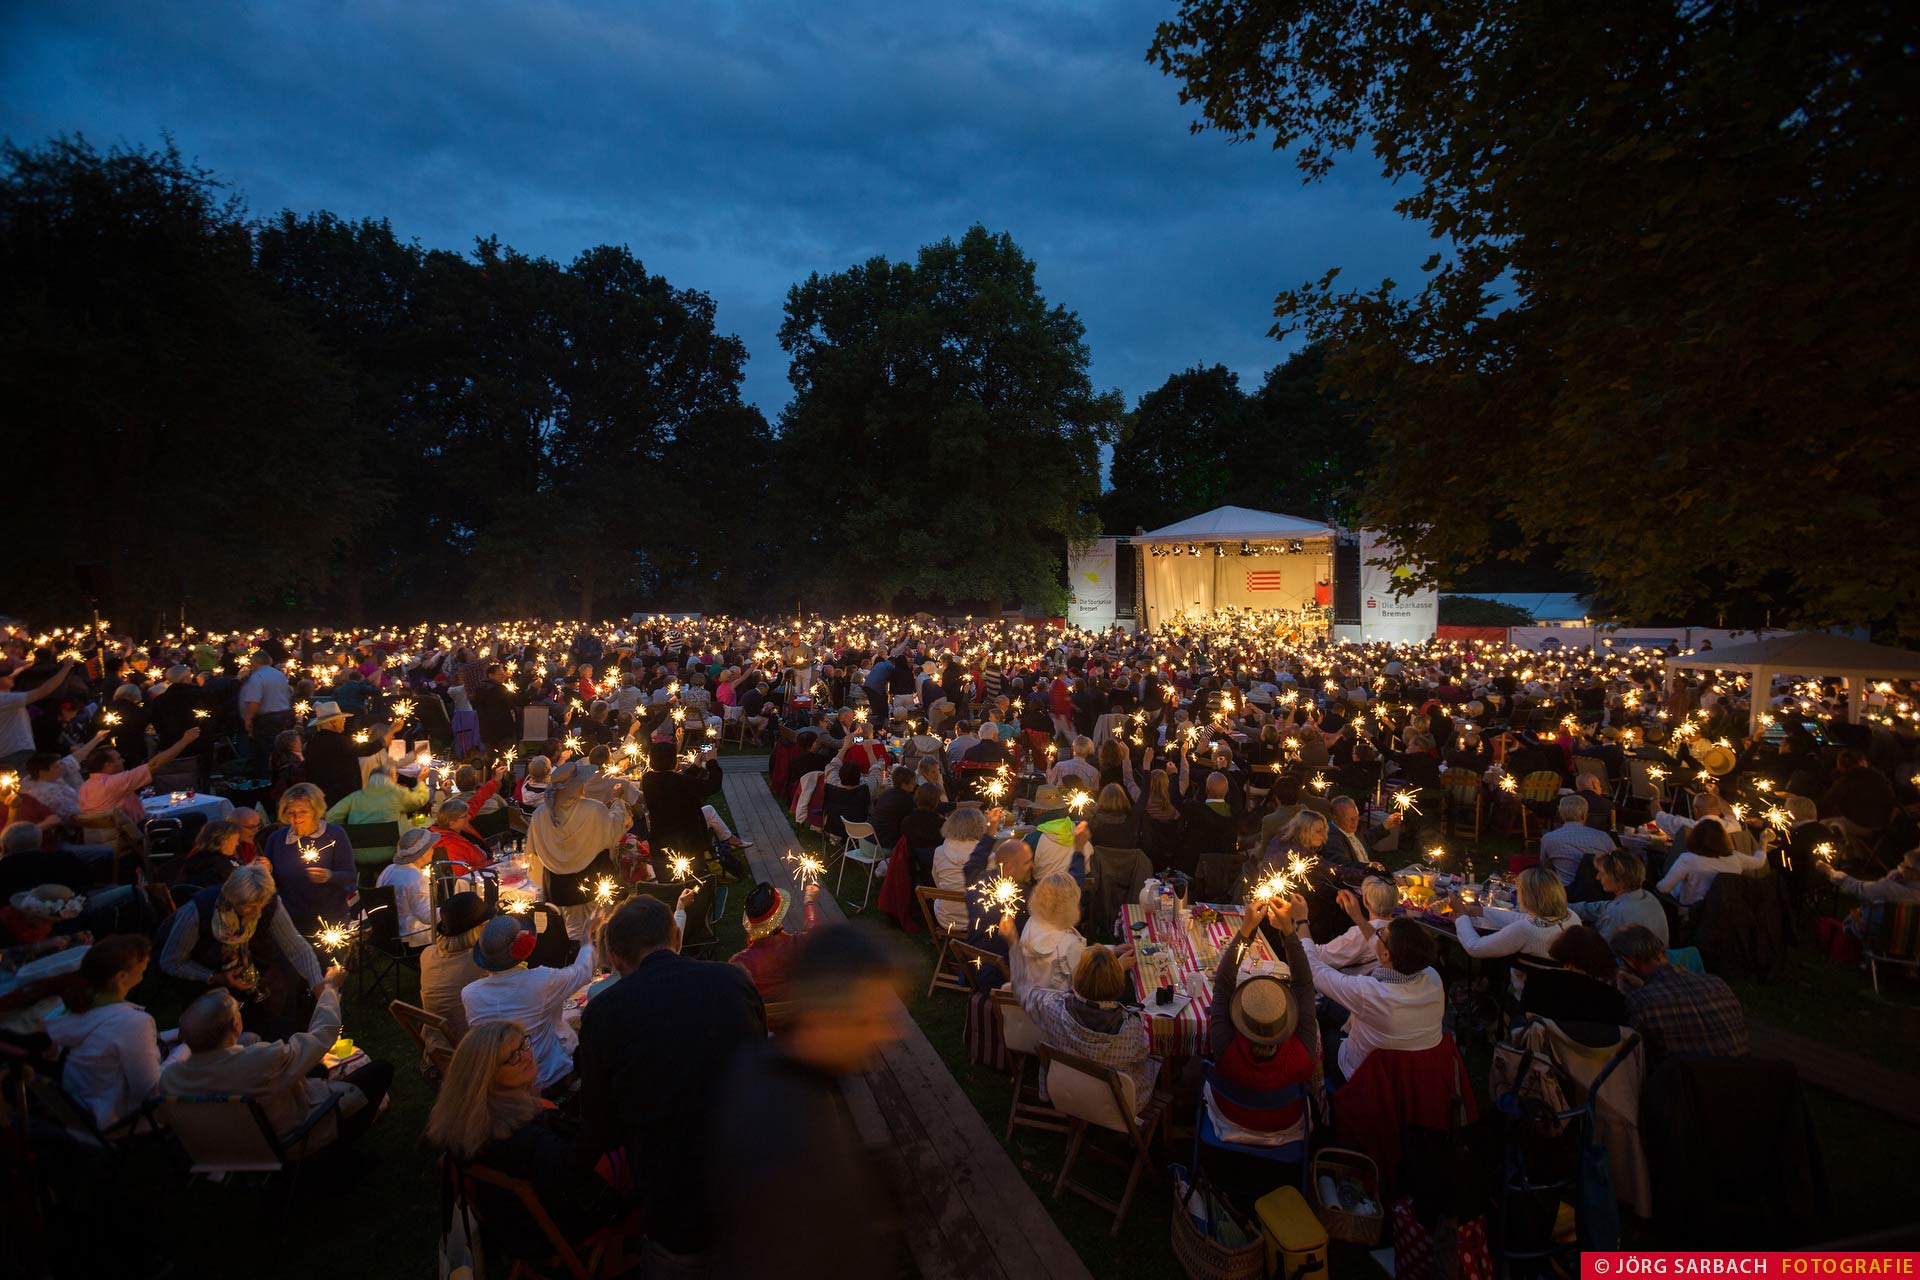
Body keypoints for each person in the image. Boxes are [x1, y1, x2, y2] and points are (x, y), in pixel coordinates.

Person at [576, 895, 765, 1273]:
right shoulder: (734, 981)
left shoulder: (605, 1012)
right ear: (677, 937)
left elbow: (600, 1125)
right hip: (754, 1178)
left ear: (613, 957)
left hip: (674, 1202)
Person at [707, 925, 906, 1280]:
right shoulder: (795, 1141)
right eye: (868, 1019)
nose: (885, 1033)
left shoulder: (769, 1069)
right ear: (825, 1016)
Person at [424, 1021, 628, 1263]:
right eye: (510, 1057)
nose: (525, 1056)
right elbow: (572, 1169)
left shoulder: (472, 1119)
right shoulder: (522, 1138)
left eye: (523, 1045)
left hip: (513, 1221)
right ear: (485, 1076)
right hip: (556, 1226)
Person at [162, 963, 393, 1153]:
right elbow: (321, 1036)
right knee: (380, 1070)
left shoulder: (170, 1077)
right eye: (237, 1010)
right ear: (234, 1024)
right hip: (289, 1141)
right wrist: (331, 988)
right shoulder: (259, 1062)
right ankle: (341, 1152)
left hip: (225, 1151)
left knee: (317, 1070)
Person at [158, 862, 325, 1037]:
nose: (256, 912)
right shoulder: (198, 912)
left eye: (260, 905)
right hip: (205, 986)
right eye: (250, 907)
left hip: (252, 980)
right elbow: (171, 961)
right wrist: (215, 977)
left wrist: (317, 983)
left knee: (276, 1025)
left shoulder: (267, 903)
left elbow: (295, 946)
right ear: (232, 898)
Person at [1205, 901, 1319, 1145]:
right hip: (1286, 1125)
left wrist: (1247, 928)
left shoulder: (1226, 1050)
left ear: (1242, 1020)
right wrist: (1289, 930)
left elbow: (1223, 985)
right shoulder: (1302, 1052)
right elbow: (1304, 985)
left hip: (1231, 1121)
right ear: (1285, 1020)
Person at [461, 909, 603, 1095]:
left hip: (499, 1080)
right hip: (546, 1079)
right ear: (525, 946)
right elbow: (582, 972)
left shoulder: (469, 993)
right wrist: (586, 938)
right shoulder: (541, 981)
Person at [1298, 907, 1444, 1084]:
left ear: (1386, 954)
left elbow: (1315, 971)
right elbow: (1379, 946)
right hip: (1412, 1076)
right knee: (1329, 1007)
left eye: (1381, 932)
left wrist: (1301, 922)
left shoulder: (1370, 994)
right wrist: (1358, 917)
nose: (1377, 932)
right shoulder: (1432, 977)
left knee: (1321, 1030)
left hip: (1362, 1078)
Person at [46, 934, 162, 1133]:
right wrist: (184, 1053)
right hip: (117, 1121)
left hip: (81, 1115)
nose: (147, 963)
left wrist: (179, 1035)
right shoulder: (133, 1023)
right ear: (121, 977)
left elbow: (111, 1044)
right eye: (142, 962)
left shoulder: (66, 1011)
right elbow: (151, 1092)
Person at [1024, 944, 1158, 1112]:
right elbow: (1142, 1056)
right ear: (1119, 984)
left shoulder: (1052, 1007)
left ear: (1077, 976)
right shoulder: (1129, 1028)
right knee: (1159, 1058)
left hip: (1067, 1091)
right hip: (1114, 1105)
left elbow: (1033, 993)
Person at [525, 759, 630, 944]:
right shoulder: (593, 809)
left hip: (559, 887)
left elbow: (534, 854)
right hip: (594, 880)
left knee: (571, 934)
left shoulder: (540, 814)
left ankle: (577, 967)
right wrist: (618, 802)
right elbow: (614, 830)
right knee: (600, 930)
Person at [1610, 924, 1750, 1060]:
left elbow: (1630, 1055)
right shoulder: (1719, 985)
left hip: (1685, 1081)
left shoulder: (1641, 1000)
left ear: (1627, 961)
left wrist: (1622, 993)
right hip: (1742, 1078)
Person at [261, 782, 356, 934]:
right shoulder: (277, 839)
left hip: (329, 917)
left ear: (315, 811)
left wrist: (330, 876)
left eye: (303, 811)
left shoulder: (334, 835)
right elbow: (267, 884)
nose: (296, 817)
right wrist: (266, 870)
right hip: (289, 917)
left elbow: (349, 876)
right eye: (291, 812)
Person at [1452, 866, 1576, 970]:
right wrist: (1481, 911)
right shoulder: (1570, 916)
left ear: (1528, 897)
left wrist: (1462, 916)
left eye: (1519, 891)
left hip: (1527, 991)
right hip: (1561, 987)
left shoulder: (1526, 930)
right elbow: (1521, 918)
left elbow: (1475, 948)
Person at [75, 726, 202, 827]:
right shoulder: (114, 782)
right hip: (136, 832)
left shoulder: (84, 787)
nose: (123, 760)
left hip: (105, 837)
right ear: (108, 765)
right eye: (119, 759)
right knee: (197, 817)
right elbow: (154, 764)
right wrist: (185, 741)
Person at [728, 881, 822, 1003]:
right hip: (800, 1018)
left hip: (763, 1021)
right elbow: (814, 935)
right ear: (779, 914)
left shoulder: (738, 964)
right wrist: (809, 902)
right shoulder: (799, 945)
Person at [1520, 925, 1630, 1027]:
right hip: (1589, 1047)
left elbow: (1524, 1017)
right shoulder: (1612, 998)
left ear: (1561, 948)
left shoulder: (1538, 980)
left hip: (1542, 1044)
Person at [423, 890, 493, 1044]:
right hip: (468, 1048)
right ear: (479, 928)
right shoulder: (479, 963)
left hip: (435, 1045)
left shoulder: (427, 954)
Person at [302, 700, 396, 810]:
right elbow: (366, 750)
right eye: (342, 719)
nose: (344, 721)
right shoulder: (339, 741)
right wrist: (388, 735)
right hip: (341, 794)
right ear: (333, 722)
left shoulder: (313, 741)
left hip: (319, 793)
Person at [1009, 872, 1088, 998]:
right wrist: (1118, 966)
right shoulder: (1070, 943)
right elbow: (1086, 985)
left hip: (1031, 1001)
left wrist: (1111, 949)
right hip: (1059, 1009)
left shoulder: (1032, 923)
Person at [1655, 818, 1765, 908]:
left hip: (1691, 913)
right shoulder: (1736, 858)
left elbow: (1664, 888)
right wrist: (1764, 841)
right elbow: (1759, 862)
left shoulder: (1688, 860)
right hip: (1722, 915)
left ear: (1695, 838)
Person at [1570, 849, 1670, 944]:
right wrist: (1566, 907)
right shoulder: (1647, 896)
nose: (1597, 877)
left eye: (1602, 873)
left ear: (1620, 880)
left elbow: (1602, 951)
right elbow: (1602, 907)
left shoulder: (1616, 913)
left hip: (1630, 960)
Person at [0, 657, 78, 768]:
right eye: (5, 676)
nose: (11, 677)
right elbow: (43, 691)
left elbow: (15, 673)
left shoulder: (7, 698)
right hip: (14, 752)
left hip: (12, 751)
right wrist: (66, 668)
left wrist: (26, 665)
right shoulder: (5, 699)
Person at [1312, 878, 1399, 974]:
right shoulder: (1401, 929)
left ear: (1365, 900)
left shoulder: (1359, 935)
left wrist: (1300, 925)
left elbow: (1321, 956)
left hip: (1349, 982)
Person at [930, 804, 992, 930]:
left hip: (947, 918)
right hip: (979, 919)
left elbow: (937, 882)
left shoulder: (940, 851)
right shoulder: (988, 856)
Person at [376, 827, 439, 947]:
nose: (433, 850)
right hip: (411, 939)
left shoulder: (388, 870)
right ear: (422, 853)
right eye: (430, 848)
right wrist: (450, 911)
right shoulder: (417, 878)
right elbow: (427, 916)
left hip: (387, 934)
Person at [324, 760, 434, 827]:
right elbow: (420, 799)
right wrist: (420, 781)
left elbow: (330, 817)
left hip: (359, 853)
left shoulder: (355, 797)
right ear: (391, 777)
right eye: (396, 776)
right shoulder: (398, 794)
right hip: (393, 850)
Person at [1540, 794, 1616, 885]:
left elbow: (1545, 867)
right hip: (1599, 890)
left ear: (1561, 815)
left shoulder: (1549, 838)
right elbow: (1617, 861)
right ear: (1584, 815)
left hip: (1566, 893)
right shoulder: (1603, 837)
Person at [237, 649, 294, 763]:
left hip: (266, 720)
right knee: (278, 749)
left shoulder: (257, 677)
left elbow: (254, 701)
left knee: (264, 751)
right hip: (283, 715)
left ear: (255, 662)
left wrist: (248, 719)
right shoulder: (279, 674)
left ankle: (264, 776)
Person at [1323, 795, 1404, 864]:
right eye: (1351, 819)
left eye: (1356, 817)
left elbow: (1366, 839)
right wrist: (1368, 867)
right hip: (1357, 879)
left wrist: (1386, 825)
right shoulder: (1332, 839)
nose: (1355, 822)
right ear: (1336, 819)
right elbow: (1342, 865)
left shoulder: (1349, 829)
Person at [1825, 847, 1920, 905]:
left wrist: (1829, 871)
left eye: (1905, 865)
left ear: (1915, 874)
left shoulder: (1890, 889)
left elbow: (1859, 888)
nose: (1900, 866)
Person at [869, 766, 917, 851]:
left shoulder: (885, 793)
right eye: (912, 783)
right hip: (883, 845)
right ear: (904, 785)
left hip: (867, 840)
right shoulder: (906, 799)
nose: (914, 785)